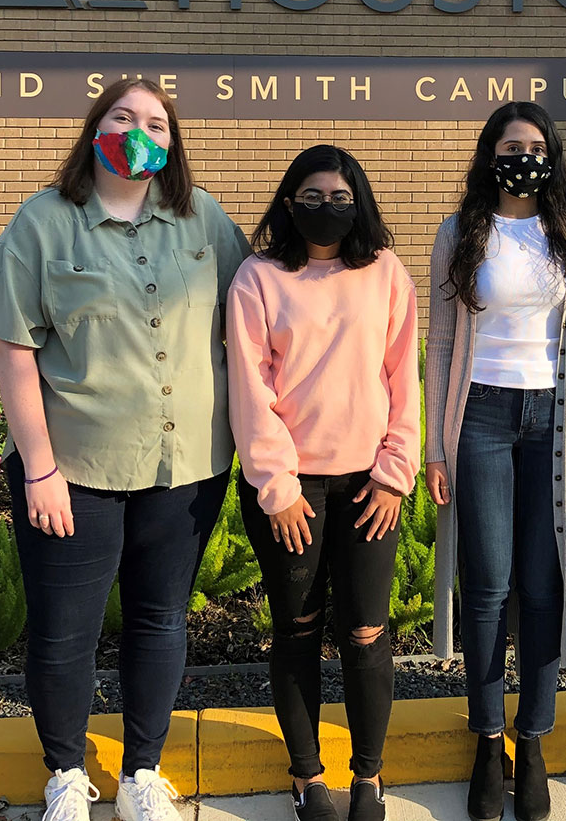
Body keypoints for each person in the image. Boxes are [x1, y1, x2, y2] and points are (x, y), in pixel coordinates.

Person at [0, 79, 249, 821]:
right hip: (73, 468)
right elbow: (14, 348)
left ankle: (141, 775)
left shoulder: (203, 219)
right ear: (94, 127)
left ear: (173, 138)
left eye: (155, 121)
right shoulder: (43, 222)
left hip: (185, 466)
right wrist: (39, 469)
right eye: (122, 117)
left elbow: (253, 318)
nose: (138, 131)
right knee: (67, 631)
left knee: (161, 620)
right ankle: (65, 772)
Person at [226, 144, 420, 821]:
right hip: (291, 491)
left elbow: (403, 382)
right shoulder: (256, 278)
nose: (327, 209)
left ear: (360, 204)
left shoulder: (387, 274)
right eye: (311, 197)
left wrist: (397, 473)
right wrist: (276, 487)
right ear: (287, 205)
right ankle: (308, 778)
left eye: (340, 198)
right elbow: (250, 391)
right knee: (298, 628)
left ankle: (369, 778)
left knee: (366, 631)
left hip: (371, 483)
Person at [425, 101, 566, 821]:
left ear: (551, 156)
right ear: (489, 156)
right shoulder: (460, 232)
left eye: (534, 146)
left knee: (542, 583)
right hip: (483, 418)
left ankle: (532, 742)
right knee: (488, 583)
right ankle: (486, 739)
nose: (522, 156)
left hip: (552, 421)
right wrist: (438, 443)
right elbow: (439, 344)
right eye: (510, 145)